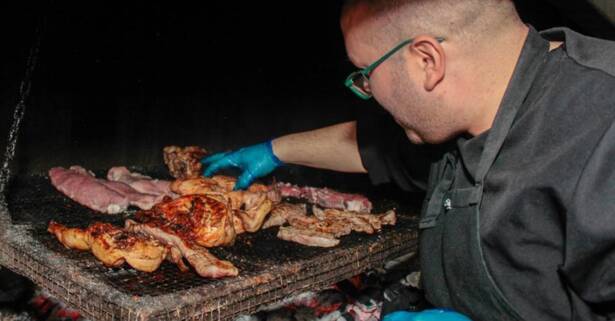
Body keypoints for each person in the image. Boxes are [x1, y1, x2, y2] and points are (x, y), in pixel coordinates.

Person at [202, 0, 615, 320]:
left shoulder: (601, 129)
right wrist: (275, 150)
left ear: (426, 62)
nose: (367, 92)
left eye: (365, 73)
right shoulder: (463, 113)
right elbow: (372, 146)